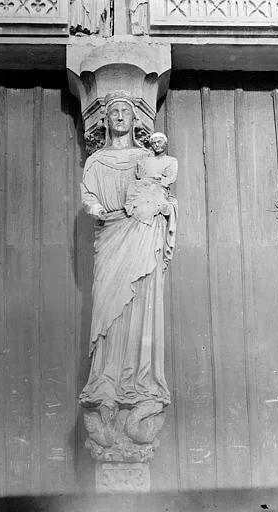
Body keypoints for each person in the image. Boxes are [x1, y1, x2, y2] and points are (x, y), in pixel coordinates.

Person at [79, 90, 177, 425]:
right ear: (104, 120)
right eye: (114, 112)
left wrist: (162, 209)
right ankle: (105, 381)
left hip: (141, 234)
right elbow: (89, 195)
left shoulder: (146, 158)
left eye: (126, 112)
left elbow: (162, 194)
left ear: (136, 120)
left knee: (138, 304)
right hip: (110, 235)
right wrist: (96, 208)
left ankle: (138, 382)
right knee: (108, 307)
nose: (120, 117)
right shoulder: (96, 161)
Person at [125, 132, 178, 226]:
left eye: (159, 142)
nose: (156, 145)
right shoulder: (144, 161)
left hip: (158, 189)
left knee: (154, 195)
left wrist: (158, 179)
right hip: (143, 188)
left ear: (165, 144)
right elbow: (140, 176)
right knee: (133, 187)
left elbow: (170, 178)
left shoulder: (171, 161)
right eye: (154, 143)